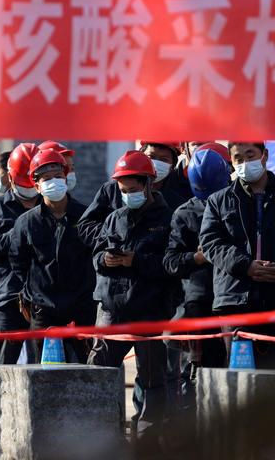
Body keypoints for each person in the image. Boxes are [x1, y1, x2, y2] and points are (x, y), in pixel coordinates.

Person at [87, 150, 172, 452]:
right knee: (98, 374)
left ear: (148, 184)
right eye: (123, 192)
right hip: (111, 308)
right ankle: (102, 434)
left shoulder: (166, 219)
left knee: (152, 378)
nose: (128, 196)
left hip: (149, 310)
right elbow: (96, 255)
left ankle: (147, 439)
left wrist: (136, 261)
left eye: (133, 190)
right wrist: (106, 260)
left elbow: (169, 264)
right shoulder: (114, 218)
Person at [199, 142, 275, 369]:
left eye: (251, 155)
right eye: (238, 158)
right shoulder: (218, 200)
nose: (245, 162)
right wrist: (245, 265)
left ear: (265, 155)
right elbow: (210, 243)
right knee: (240, 380)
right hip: (236, 301)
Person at [9, 149, 96, 363]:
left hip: (80, 307)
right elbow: (18, 260)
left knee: (87, 369)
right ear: (37, 186)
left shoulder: (85, 216)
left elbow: (94, 255)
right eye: (46, 179)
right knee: (42, 372)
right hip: (43, 309)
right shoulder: (27, 222)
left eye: (58, 176)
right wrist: (34, 291)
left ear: (66, 178)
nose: (53, 182)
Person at [164, 146, 231, 373]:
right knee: (196, 373)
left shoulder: (238, 205)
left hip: (234, 299)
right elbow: (171, 262)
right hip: (199, 303)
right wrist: (198, 258)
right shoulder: (185, 214)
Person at [0, 143, 41, 366]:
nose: (30, 191)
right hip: (8, 297)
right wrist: (17, 234)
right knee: (4, 366)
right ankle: (0, 403)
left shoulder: (50, 206)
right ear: (10, 179)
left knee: (43, 367)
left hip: (44, 298)